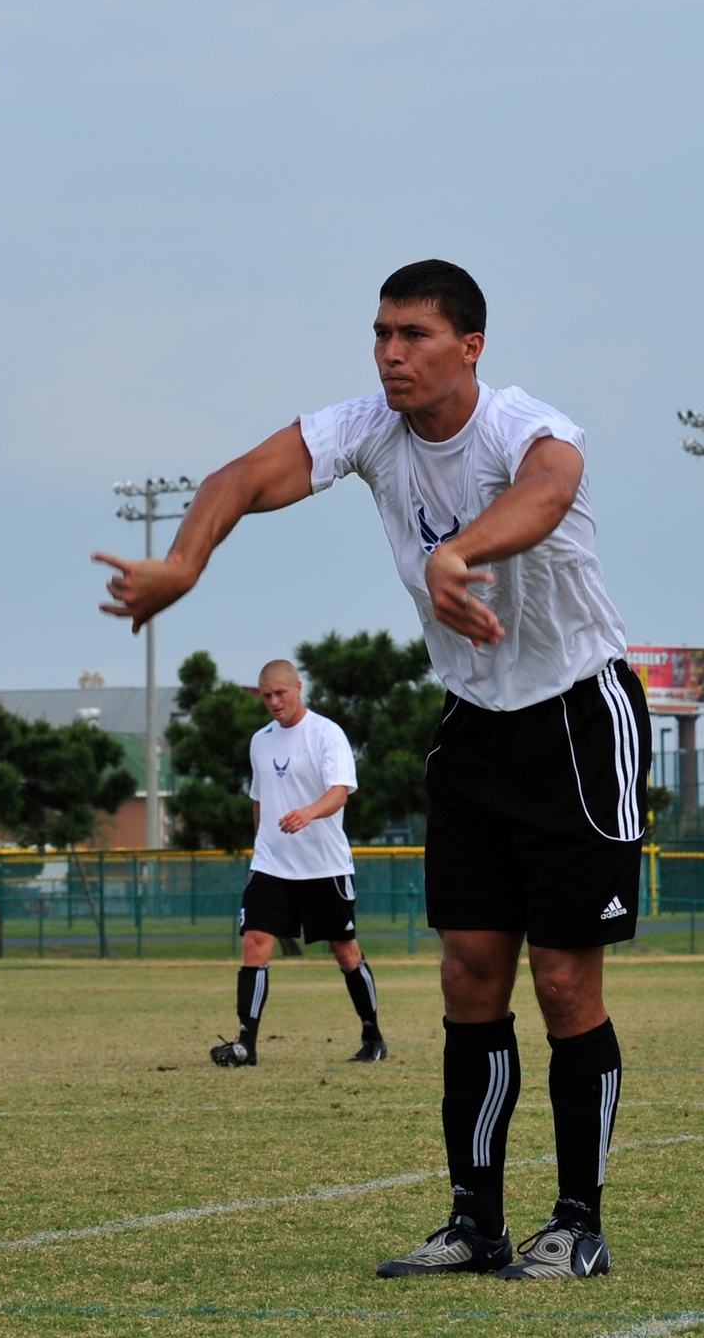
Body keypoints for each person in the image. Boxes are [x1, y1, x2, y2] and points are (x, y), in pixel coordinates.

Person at [94, 258, 649, 1281]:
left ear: (469, 346)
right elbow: (238, 479)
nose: (392, 353)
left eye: (415, 336)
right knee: (466, 977)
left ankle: (578, 1223)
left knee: (564, 981)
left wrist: (456, 553)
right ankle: (474, 1221)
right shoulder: (367, 430)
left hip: (576, 720)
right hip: (475, 726)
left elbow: (549, 486)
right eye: (381, 333)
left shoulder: (520, 424)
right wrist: (184, 561)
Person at [210, 658, 386, 1069]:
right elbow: (259, 798)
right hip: (272, 865)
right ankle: (246, 1045)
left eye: (280, 693)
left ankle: (372, 1034)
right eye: (266, 695)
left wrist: (308, 812)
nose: (273, 701)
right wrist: (259, 847)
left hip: (323, 867)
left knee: (345, 952)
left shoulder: (326, 734)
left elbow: (340, 792)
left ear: (298, 688)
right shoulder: (260, 741)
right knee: (254, 945)